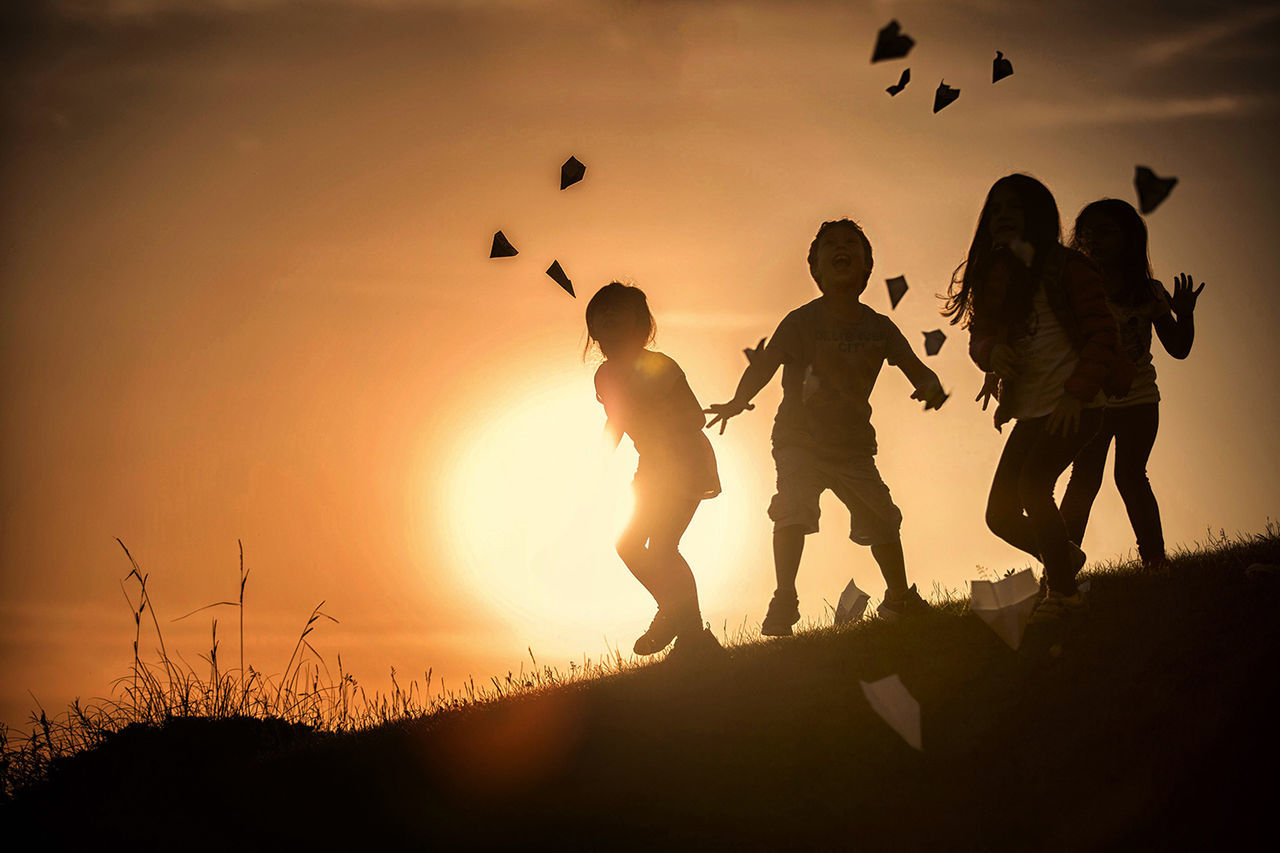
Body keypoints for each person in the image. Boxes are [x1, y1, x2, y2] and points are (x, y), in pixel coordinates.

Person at [704, 218, 947, 637]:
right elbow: (767, 363)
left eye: (851, 244)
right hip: (799, 440)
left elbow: (916, 367)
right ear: (814, 268)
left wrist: (929, 386)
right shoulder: (800, 322)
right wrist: (739, 400)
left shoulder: (879, 327)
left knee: (883, 519)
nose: (841, 248)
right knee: (793, 509)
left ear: (867, 267)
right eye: (830, 244)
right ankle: (785, 599)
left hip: (853, 447)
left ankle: (900, 596)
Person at [943, 174, 1124, 626]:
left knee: (1034, 486)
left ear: (1038, 217)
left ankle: (1064, 595)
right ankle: (1064, 557)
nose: (1002, 217)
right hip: (1032, 410)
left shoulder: (1070, 268)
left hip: (1078, 405)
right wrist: (991, 353)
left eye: (1014, 209)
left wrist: (1076, 395)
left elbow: (1104, 334)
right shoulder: (998, 277)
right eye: (995, 210)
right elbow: (980, 336)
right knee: (999, 513)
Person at [1058, 199, 1204, 573]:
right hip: (1093, 402)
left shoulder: (1149, 292)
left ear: (1129, 240)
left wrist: (1183, 315)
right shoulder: (1078, 291)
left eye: (1106, 232)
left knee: (1130, 476)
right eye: (1088, 233)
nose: (1095, 240)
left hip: (1140, 402)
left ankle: (1155, 561)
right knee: (1085, 479)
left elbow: (1178, 348)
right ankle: (1060, 566)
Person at [586, 282, 724, 660]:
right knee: (628, 545)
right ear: (593, 328)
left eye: (619, 309)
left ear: (640, 324)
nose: (609, 315)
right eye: (602, 311)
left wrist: (653, 412)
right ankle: (674, 612)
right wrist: (597, 463)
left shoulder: (660, 365)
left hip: (685, 463)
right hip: (651, 470)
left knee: (663, 547)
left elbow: (695, 415)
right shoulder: (605, 377)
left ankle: (691, 635)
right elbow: (617, 421)